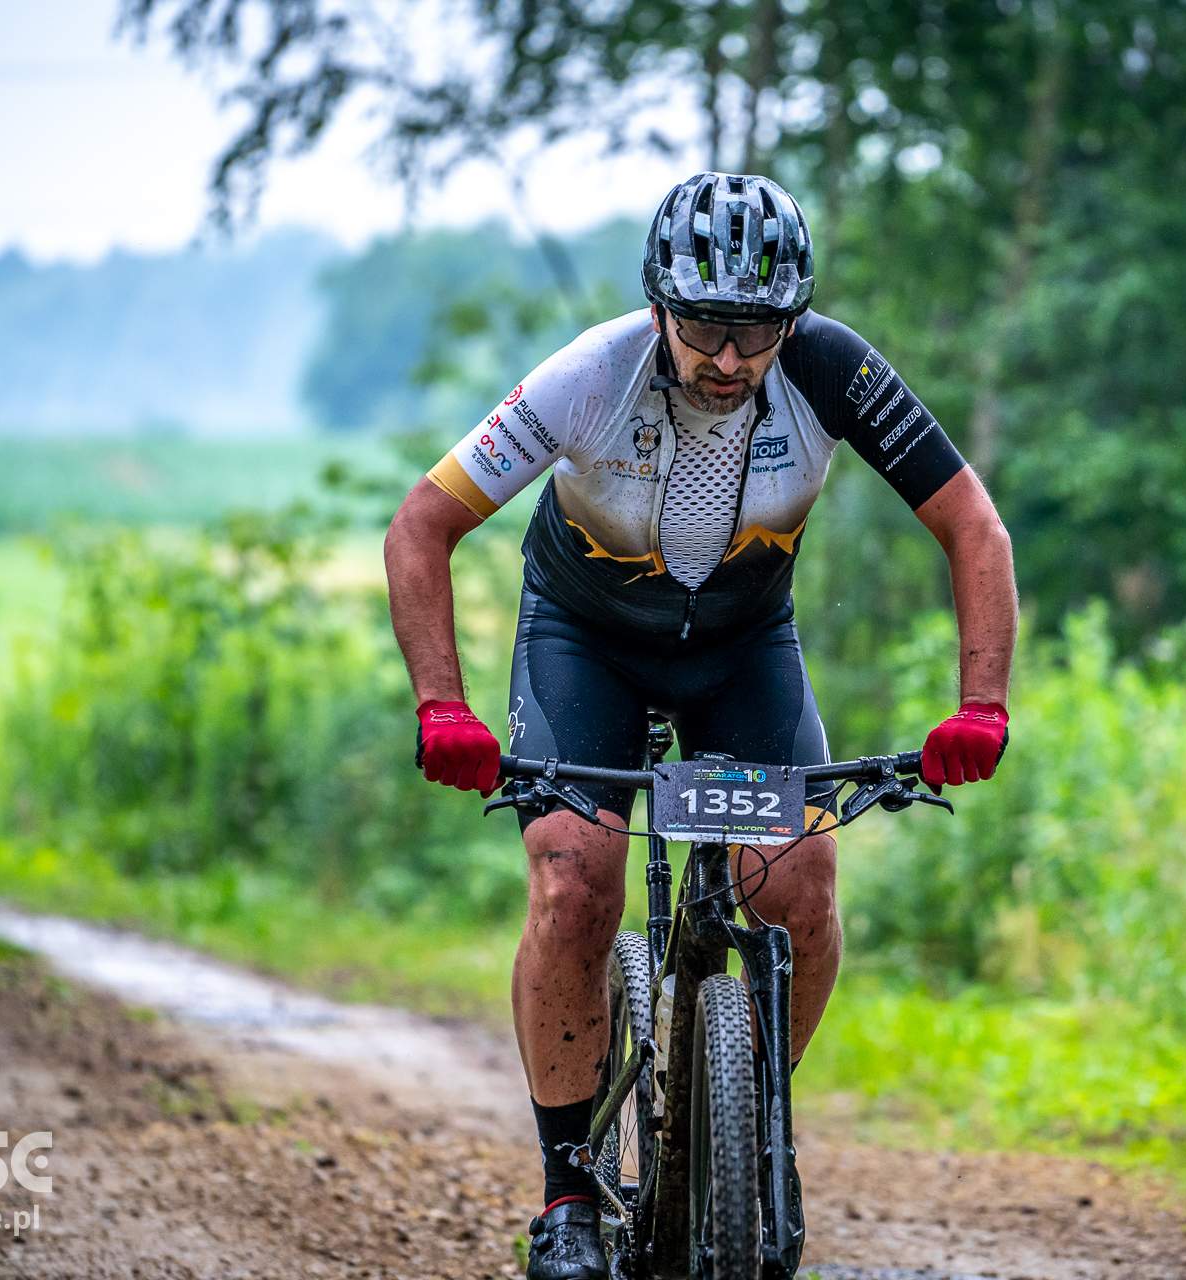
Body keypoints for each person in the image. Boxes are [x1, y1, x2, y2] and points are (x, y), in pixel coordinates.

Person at [383, 171, 1017, 1280]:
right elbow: (420, 525)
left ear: (793, 321)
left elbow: (974, 526)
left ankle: (751, 1137)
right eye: (705, 328)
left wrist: (981, 705)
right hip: (585, 640)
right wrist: (444, 704)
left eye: (757, 331)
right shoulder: (592, 373)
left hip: (740, 645)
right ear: (659, 305)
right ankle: (568, 1196)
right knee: (575, 880)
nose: (729, 358)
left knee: (801, 884)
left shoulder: (833, 369)